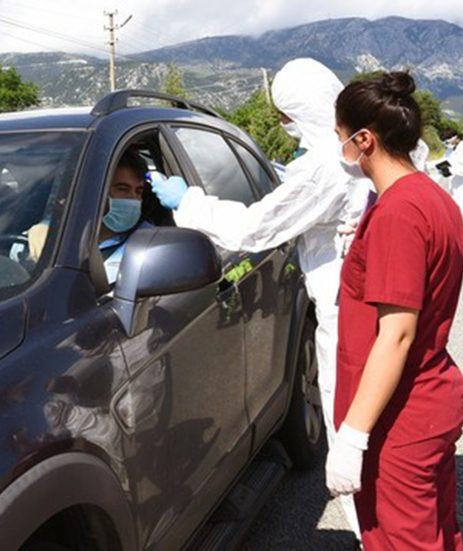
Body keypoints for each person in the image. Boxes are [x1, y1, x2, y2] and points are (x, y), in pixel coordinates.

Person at [150, 57, 365, 538]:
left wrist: (187, 201)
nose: (284, 126)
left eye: (284, 115)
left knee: (356, 450)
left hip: (346, 318)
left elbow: (255, 228)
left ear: (298, 110)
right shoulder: (352, 152)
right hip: (358, 311)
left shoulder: (324, 168)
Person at [326, 71, 463, 550]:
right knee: (436, 532)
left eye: (341, 137)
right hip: (426, 402)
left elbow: (397, 335)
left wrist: (353, 436)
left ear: (364, 139)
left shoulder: (399, 213)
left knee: (404, 541)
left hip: (399, 418)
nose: (341, 148)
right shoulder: (428, 196)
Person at [28, 150, 152, 284]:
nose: (133, 199)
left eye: (138, 191)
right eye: (122, 189)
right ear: (95, 191)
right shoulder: (52, 234)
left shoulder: (150, 241)